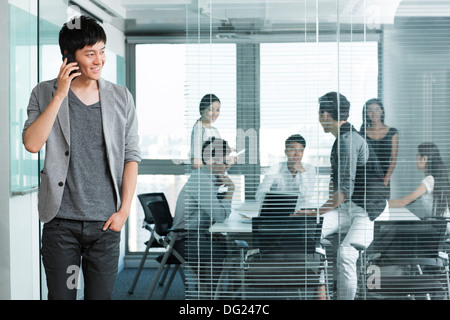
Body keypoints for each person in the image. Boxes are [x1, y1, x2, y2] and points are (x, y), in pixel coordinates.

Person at [22, 16, 141, 300]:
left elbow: (131, 156)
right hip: (61, 224)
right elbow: (32, 144)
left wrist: (123, 212)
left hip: (105, 224)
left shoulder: (121, 97)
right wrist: (61, 94)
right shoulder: (44, 92)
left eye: (101, 51)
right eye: (90, 53)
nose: (99, 60)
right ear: (69, 57)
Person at [297, 92, 389, 300]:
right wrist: (314, 215)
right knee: (307, 234)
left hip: (367, 210)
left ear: (326, 115)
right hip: (348, 208)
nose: (319, 119)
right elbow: (338, 188)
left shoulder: (348, 141)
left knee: (346, 254)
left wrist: (317, 211)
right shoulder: (341, 139)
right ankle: (322, 292)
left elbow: (344, 190)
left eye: (319, 114)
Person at [173, 137, 235, 294]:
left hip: (196, 235)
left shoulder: (208, 177)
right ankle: (212, 293)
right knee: (225, 252)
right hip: (185, 240)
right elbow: (221, 216)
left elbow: (211, 214)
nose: (227, 164)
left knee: (235, 247)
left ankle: (222, 291)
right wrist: (231, 189)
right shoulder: (201, 180)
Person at [389, 142, 450, 223]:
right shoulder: (433, 179)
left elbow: (403, 202)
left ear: (424, 159)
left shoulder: (429, 180)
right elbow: (409, 200)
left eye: (417, 156)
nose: (416, 160)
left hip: (443, 230)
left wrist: (381, 204)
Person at [255, 134, 316, 205]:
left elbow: (307, 197)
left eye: (300, 151)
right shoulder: (275, 168)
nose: (297, 154)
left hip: (300, 210)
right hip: (277, 208)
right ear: (286, 151)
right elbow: (260, 194)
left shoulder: (309, 169)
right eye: (293, 150)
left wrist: (302, 172)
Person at [360, 99, 399, 196]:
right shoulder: (362, 133)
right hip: (366, 178)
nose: (374, 113)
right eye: (370, 110)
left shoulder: (392, 132)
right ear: (366, 113)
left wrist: (386, 179)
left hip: (383, 178)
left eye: (377, 109)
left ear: (382, 111)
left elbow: (393, 158)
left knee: (382, 207)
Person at [190, 94, 222, 169]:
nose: (215, 114)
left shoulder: (214, 130)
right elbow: (196, 163)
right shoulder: (198, 130)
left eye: (217, 110)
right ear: (202, 110)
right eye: (211, 110)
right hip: (204, 177)